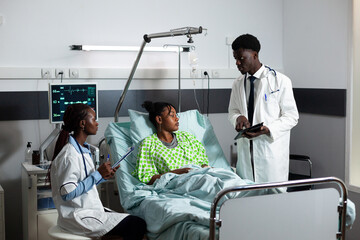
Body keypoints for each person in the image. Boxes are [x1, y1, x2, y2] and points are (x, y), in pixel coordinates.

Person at [49, 103, 147, 239]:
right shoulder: (69, 155)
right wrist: (98, 174)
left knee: (133, 220)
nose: (97, 123)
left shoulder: (83, 149)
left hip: (87, 210)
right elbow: (68, 193)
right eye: (94, 119)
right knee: (137, 224)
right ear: (83, 123)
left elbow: (83, 182)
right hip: (76, 216)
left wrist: (103, 176)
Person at [228, 34, 299, 187]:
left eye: (241, 58)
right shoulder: (237, 83)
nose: (237, 63)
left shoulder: (280, 81)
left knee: (273, 200)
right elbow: (232, 111)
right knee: (247, 196)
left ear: (255, 55)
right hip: (246, 152)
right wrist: (238, 117)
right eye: (235, 59)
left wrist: (268, 129)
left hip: (270, 152)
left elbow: (292, 116)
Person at [133, 101, 209, 185]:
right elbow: (147, 178)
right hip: (179, 183)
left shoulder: (187, 137)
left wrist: (206, 167)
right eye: (172, 115)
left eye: (176, 115)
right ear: (159, 119)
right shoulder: (149, 144)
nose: (177, 118)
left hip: (202, 176)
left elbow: (202, 162)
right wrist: (177, 173)